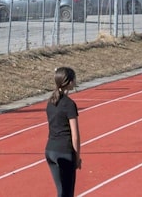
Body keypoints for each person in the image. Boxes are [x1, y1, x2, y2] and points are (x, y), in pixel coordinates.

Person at [45, 66, 82, 197]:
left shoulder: (50, 102)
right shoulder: (69, 104)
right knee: (67, 193)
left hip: (50, 150)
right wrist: (77, 158)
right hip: (64, 152)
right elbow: (75, 135)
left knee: (61, 191)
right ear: (70, 82)